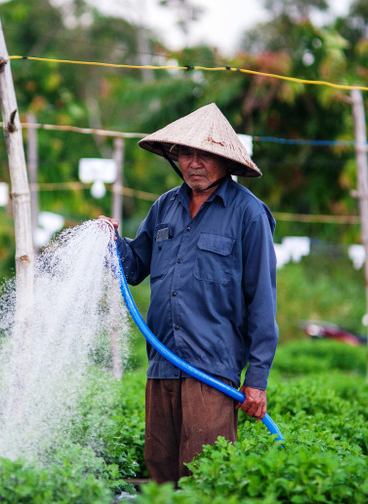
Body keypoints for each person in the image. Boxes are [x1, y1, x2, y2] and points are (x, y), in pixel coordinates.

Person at [100, 103, 278, 485]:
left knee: (204, 477)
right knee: (161, 473)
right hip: (161, 365)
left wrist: (257, 379)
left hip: (211, 370)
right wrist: (111, 240)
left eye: (205, 154)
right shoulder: (165, 207)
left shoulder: (249, 214)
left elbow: (262, 300)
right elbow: (133, 269)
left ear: (225, 162)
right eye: (186, 153)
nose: (194, 162)